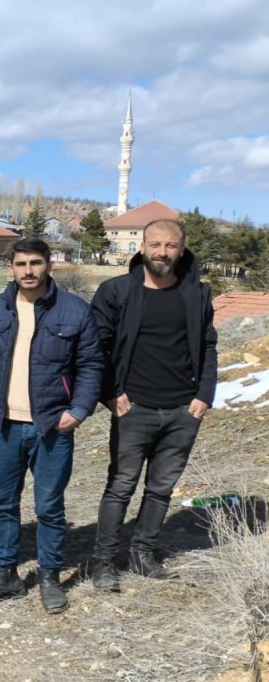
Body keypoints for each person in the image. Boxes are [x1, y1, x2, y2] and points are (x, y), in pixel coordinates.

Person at [0, 237, 103, 614]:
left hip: (52, 428)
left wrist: (78, 410)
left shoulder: (74, 311)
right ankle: (5, 574)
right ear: (11, 267)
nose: (29, 271)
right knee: (3, 503)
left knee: (50, 507)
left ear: (49, 266)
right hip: (6, 426)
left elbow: (92, 365)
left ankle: (49, 577)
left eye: (36, 263)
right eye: (22, 263)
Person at [89, 219, 217, 590]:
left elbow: (208, 345)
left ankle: (142, 554)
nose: (162, 252)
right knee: (121, 486)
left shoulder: (197, 294)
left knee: (161, 489)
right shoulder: (117, 292)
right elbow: (97, 348)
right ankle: (104, 561)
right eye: (155, 244)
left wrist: (204, 395)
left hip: (183, 410)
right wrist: (110, 393)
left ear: (183, 248)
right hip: (134, 409)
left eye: (171, 245)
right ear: (142, 246)